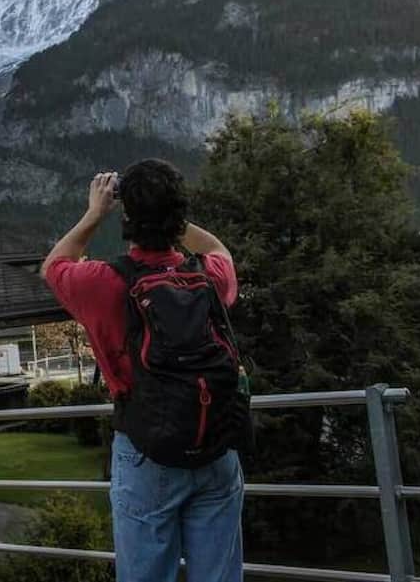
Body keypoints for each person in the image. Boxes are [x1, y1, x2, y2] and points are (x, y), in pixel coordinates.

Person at [41, 159, 245, 582]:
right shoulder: (208, 277)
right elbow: (219, 251)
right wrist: (173, 217)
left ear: (128, 216)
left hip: (145, 449)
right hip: (215, 445)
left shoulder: (104, 282)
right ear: (179, 212)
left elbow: (54, 266)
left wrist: (96, 212)